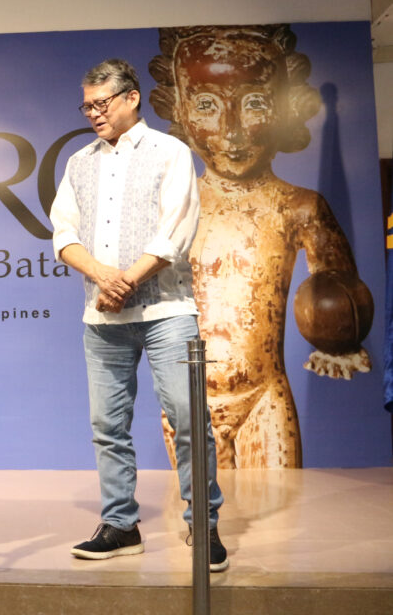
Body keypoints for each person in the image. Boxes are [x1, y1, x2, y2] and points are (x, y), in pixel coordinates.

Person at [148, 24, 373, 469]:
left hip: (265, 396)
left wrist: (337, 329)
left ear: (285, 110)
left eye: (254, 102)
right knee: (193, 510)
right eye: (207, 104)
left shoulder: (299, 207)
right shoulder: (170, 206)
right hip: (188, 397)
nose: (232, 131)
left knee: (277, 507)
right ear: (180, 111)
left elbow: (336, 283)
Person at [50, 59, 227, 571]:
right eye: (87, 105)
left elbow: (175, 232)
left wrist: (123, 281)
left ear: (132, 98)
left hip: (168, 310)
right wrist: (102, 277)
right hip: (103, 319)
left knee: (188, 418)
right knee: (107, 426)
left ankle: (204, 525)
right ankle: (121, 525)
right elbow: (63, 233)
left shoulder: (171, 152)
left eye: (101, 103)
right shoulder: (78, 162)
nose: (93, 113)